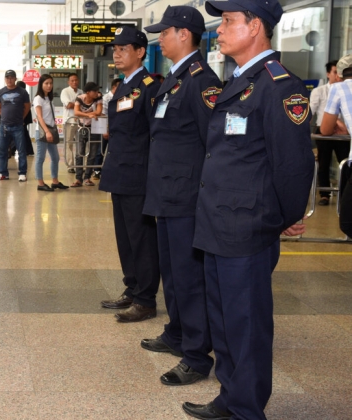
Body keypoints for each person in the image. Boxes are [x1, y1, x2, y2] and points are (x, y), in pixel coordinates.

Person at [185, 1, 315, 419]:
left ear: (255, 26)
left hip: (247, 226)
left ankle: (247, 409)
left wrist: (286, 217)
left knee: (247, 325)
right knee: (223, 321)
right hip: (218, 221)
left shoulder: (280, 86)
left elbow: (294, 164)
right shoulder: (240, 81)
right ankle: (231, 396)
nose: (218, 31)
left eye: (227, 22)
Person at [141, 5, 222, 388]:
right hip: (166, 193)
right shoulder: (174, 79)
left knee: (189, 278)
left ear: (185, 35)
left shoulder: (202, 81)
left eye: (165, 31)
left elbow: (214, 144)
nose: (160, 37)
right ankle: (176, 332)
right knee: (172, 274)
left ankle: (196, 355)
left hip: (186, 196)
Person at [98, 26, 161, 323]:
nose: (118, 53)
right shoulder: (124, 85)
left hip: (138, 175)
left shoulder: (149, 86)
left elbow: (155, 135)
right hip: (120, 173)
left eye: (124, 48)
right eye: (116, 49)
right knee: (125, 238)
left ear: (140, 52)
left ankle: (146, 299)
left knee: (142, 239)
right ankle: (133, 289)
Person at [312, 60, 349, 205]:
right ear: (328, 74)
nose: (338, 75)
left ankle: (345, 193)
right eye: (335, 72)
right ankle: (324, 194)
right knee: (324, 163)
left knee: (345, 162)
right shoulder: (320, 91)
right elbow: (311, 112)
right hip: (323, 132)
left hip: (342, 133)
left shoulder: (345, 90)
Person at [0, 69, 31, 181]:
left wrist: (21, 118)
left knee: (21, 150)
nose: (9, 80)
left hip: (18, 126)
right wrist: (5, 116)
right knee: (2, 150)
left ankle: (22, 173)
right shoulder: (0, 92)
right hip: (4, 126)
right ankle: (3, 173)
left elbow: (27, 107)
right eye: (7, 78)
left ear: (15, 79)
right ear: (5, 79)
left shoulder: (22, 92)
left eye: (11, 77)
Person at [33, 74, 67, 192]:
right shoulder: (38, 98)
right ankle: (40, 183)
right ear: (41, 84)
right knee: (40, 158)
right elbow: (40, 117)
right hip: (43, 132)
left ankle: (55, 181)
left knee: (55, 157)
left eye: (51, 83)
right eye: (46, 83)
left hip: (51, 130)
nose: (49, 86)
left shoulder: (48, 98)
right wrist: (47, 131)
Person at [71, 82, 103, 187]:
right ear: (88, 92)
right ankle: (78, 178)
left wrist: (85, 114)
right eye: (95, 91)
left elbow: (99, 111)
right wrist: (89, 115)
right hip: (82, 128)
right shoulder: (79, 98)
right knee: (79, 153)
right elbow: (76, 112)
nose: (97, 93)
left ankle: (87, 178)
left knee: (92, 154)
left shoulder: (98, 97)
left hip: (94, 128)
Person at [61, 74, 83, 170]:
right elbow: (68, 105)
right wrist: (79, 104)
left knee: (81, 143)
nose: (74, 82)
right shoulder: (65, 91)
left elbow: (85, 105)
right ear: (68, 82)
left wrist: (74, 104)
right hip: (69, 122)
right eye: (72, 80)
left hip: (80, 122)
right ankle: (71, 166)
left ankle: (79, 164)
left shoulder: (81, 92)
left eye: (76, 80)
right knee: (68, 144)